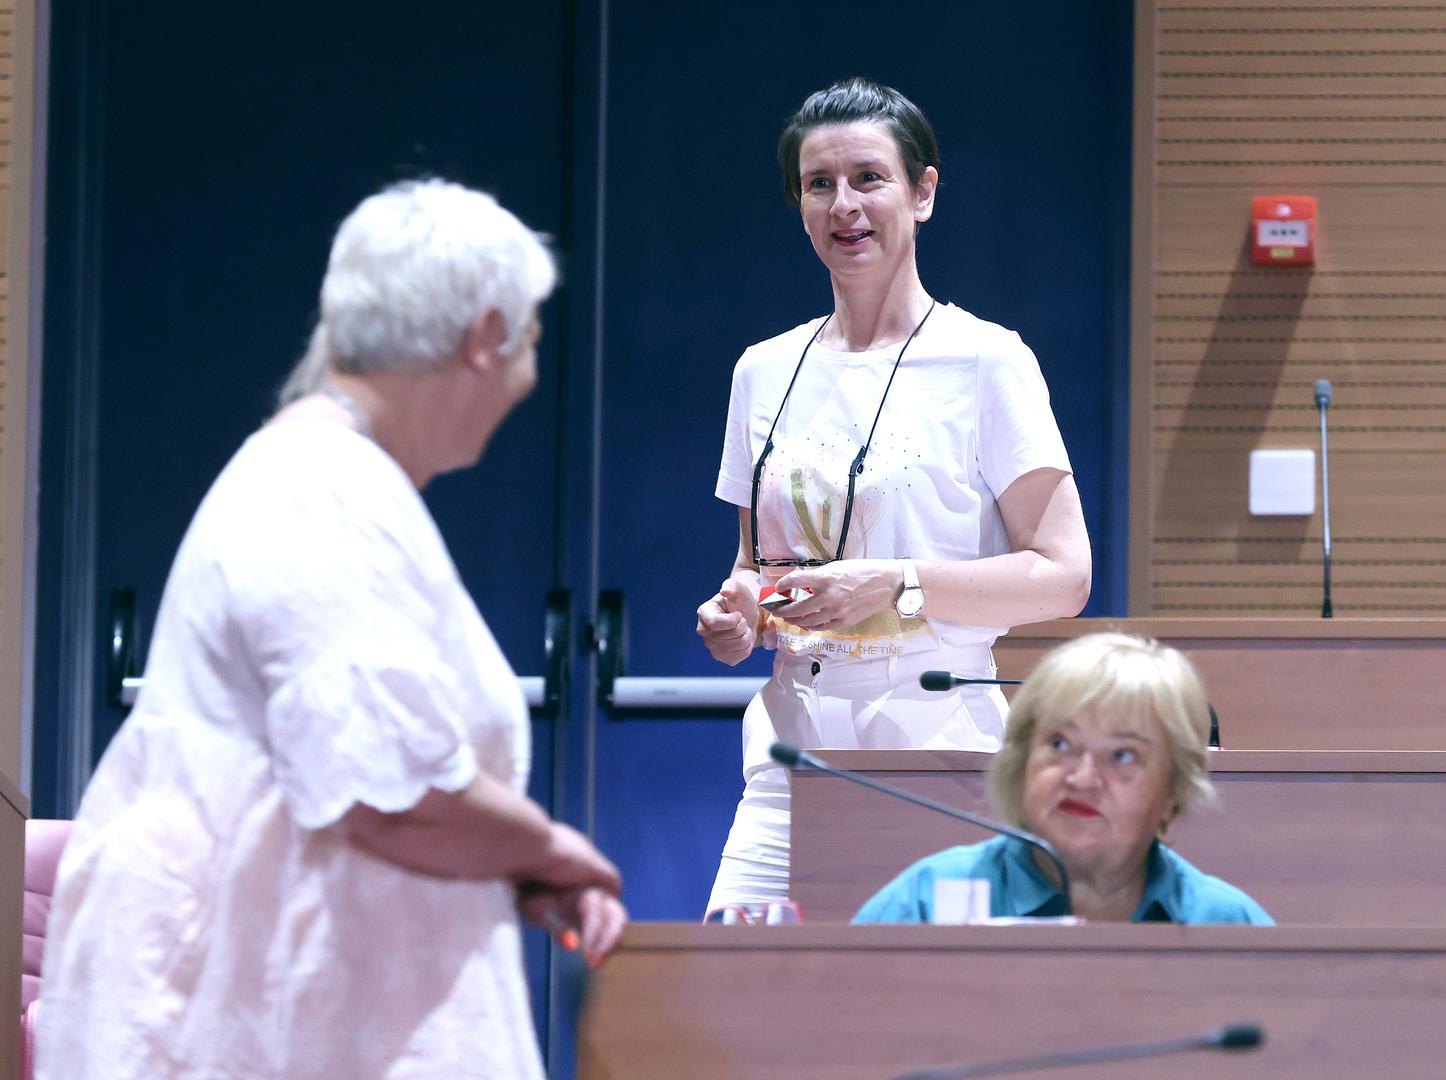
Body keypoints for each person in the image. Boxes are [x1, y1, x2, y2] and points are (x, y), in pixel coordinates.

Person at [36, 180, 626, 1080]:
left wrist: (506, 859)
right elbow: (388, 795)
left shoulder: (331, 480)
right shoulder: (320, 493)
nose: (529, 377)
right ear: (484, 338)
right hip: (270, 1023)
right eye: (532, 341)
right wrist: (554, 849)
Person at [695, 77, 1092, 911]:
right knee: (742, 976)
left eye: (868, 178)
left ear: (922, 193)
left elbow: (1064, 576)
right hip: (792, 741)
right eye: (819, 184)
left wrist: (895, 583)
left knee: (921, 987)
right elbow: (754, 566)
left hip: (935, 744)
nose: (844, 205)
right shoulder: (762, 369)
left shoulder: (987, 361)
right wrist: (739, 614)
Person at [853, 633, 1273, 925]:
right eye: (1060, 744)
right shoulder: (926, 901)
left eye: (1123, 755)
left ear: (1172, 792)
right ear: (1021, 762)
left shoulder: (1224, 922)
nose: (1083, 778)